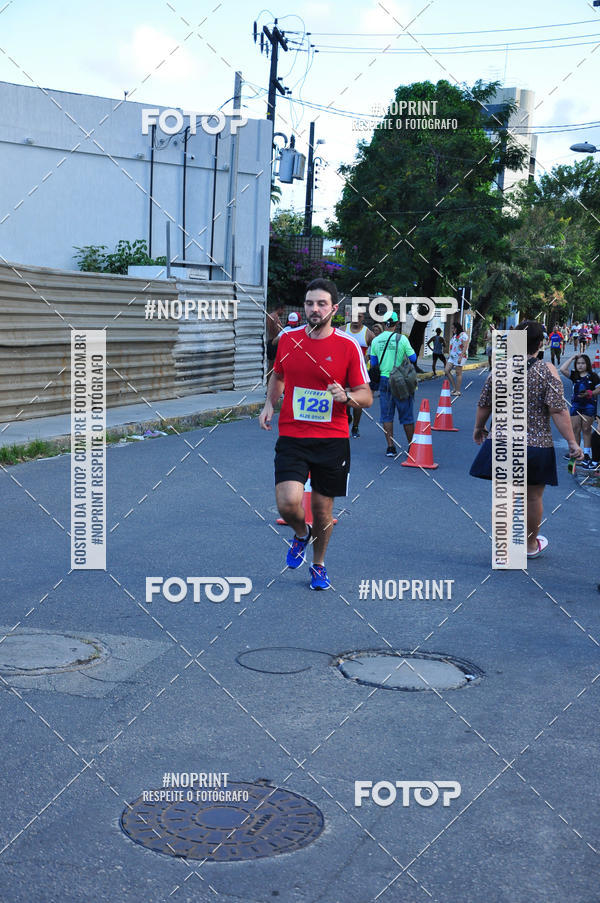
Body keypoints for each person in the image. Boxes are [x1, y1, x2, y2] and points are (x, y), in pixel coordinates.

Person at [259, 278, 372, 590]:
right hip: (293, 435)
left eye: (322, 304)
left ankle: (318, 565)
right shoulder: (287, 339)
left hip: (332, 439)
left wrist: (346, 397)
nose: (315, 309)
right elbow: (278, 376)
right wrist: (269, 404)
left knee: (322, 511)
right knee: (287, 503)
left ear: (334, 309)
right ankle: (300, 533)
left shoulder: (347, 345)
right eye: (310, 303)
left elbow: (366, 395)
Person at [470, 320, 583, 558]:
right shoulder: (547, 371)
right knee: (533, 497)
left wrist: (479, 427)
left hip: (502, 442)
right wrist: (572, 442)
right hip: (536, 445)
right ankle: (530, 546)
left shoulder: (499, 369)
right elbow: (558, 410)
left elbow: (485, 404)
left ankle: (502, 549)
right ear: (540, 343)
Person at [369, 313, 417, 457]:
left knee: (387, 415)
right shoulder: (402, 339)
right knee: (406, 415)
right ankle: (411, 447)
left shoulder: (376, 340)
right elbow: (413, 358)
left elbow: (374, 363)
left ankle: (390, 447)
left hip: (384, 380)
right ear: (396, 324)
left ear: (384, 324)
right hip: (400, 380)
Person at [559, 353, 600, 469]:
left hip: (589, 405)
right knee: (575, 429)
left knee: (586, 429)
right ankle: (576, 453)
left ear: (587, 364)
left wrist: (590, 393)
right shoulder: (574, 375)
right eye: (578, 363)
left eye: (583, 363)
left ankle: (586, 455)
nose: (580, 365)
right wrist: (572, 358)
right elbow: (562, 369)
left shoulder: (593, 376)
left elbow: (599, 388)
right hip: (576, 405)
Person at [345, 311, 374, 438]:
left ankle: (355, 427)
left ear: (363, 318)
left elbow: (376, 347)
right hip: (345, 372)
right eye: (354, 316)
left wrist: (369, 357)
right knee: (345, 399)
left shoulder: (368, 333)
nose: (356, 319)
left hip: (360, 373)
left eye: (359, 316)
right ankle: (347, 418)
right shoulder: (343, 329)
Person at [445, 321, 469, 396]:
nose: (452, 330)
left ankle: (458, 391)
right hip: (452, 356)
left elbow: (465, 347)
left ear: (457, 328)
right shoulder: (455, 336)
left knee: (458, 373)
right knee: (446, 370)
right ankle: (455, 388)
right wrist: (449, 356)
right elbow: (452, 347)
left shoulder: (463, 335)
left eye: (453, 328)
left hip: (460, 356)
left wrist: (460, 357)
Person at [266, 303, 285, 372]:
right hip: (275, 343)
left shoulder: (270, 316)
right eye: (283, 310)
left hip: (270, 342)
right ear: (279, 309)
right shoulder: (275, 317)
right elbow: (277, 331)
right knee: (276, 366)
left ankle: (268, 379)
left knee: (271, 366)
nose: (283, 312)